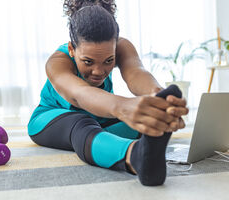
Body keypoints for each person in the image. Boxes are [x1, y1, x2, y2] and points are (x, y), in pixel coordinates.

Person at [27, 0, 189, 186]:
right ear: (72, 49)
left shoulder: (122, 46)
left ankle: (111, 140)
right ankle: (135, 157)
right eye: (88, 62)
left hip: (99, 116)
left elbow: (136, 73)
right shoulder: (57, 62)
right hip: (52, 119)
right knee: (81, 124)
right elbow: (80, 94)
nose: (98, 71)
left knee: (141, 120)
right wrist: (123, 106)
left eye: (108, 61)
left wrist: (159, 98)